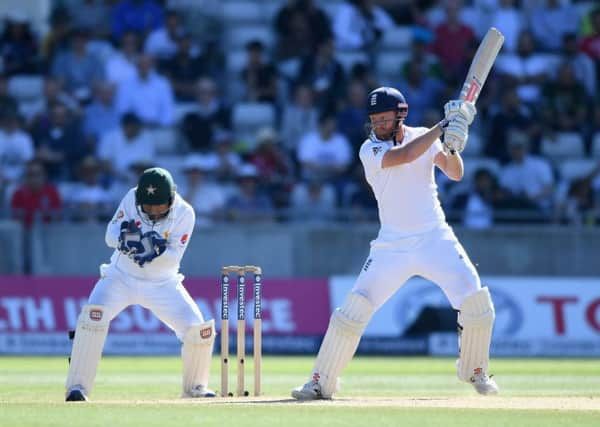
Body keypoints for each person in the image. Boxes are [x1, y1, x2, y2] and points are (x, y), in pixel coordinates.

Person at [291, 86, 499, 400]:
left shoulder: (423, 136)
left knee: (476, 302)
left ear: (401, 115)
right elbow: (404, 156)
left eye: (385, 118)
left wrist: (454, 145)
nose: (379, 124)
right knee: (352, 311)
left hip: (435, 237)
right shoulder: (369, 149)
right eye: (375, 118)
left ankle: (475, 371)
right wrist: (442, 127)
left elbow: (455, 174)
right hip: (392, 245)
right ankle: (321, 381)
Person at [65, 167, 215, 401]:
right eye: (148, 206)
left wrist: (151, 251)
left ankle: (195, 388)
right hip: (119, 277)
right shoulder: (132, 197)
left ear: (171, 198)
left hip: (162, 284)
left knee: (200, 331)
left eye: (158, 206)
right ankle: (77, 388)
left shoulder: (186, 213)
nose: (153, 211)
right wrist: (129, 242)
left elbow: (173, 257)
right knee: (91, 319)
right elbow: (110, 235)